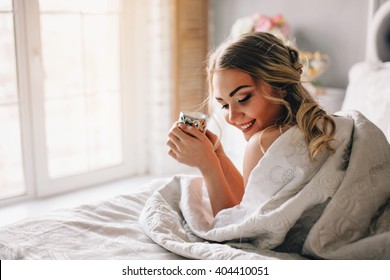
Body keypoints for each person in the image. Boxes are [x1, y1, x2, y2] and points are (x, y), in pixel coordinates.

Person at [166, 32, 336, 217]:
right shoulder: (320, 125)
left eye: (243, 98)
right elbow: (249, 202)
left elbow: (236, 229)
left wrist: (207, 166)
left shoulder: (262, 143)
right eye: (224, 105)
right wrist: (218, 156)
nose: (232, 116)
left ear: (280, 86)